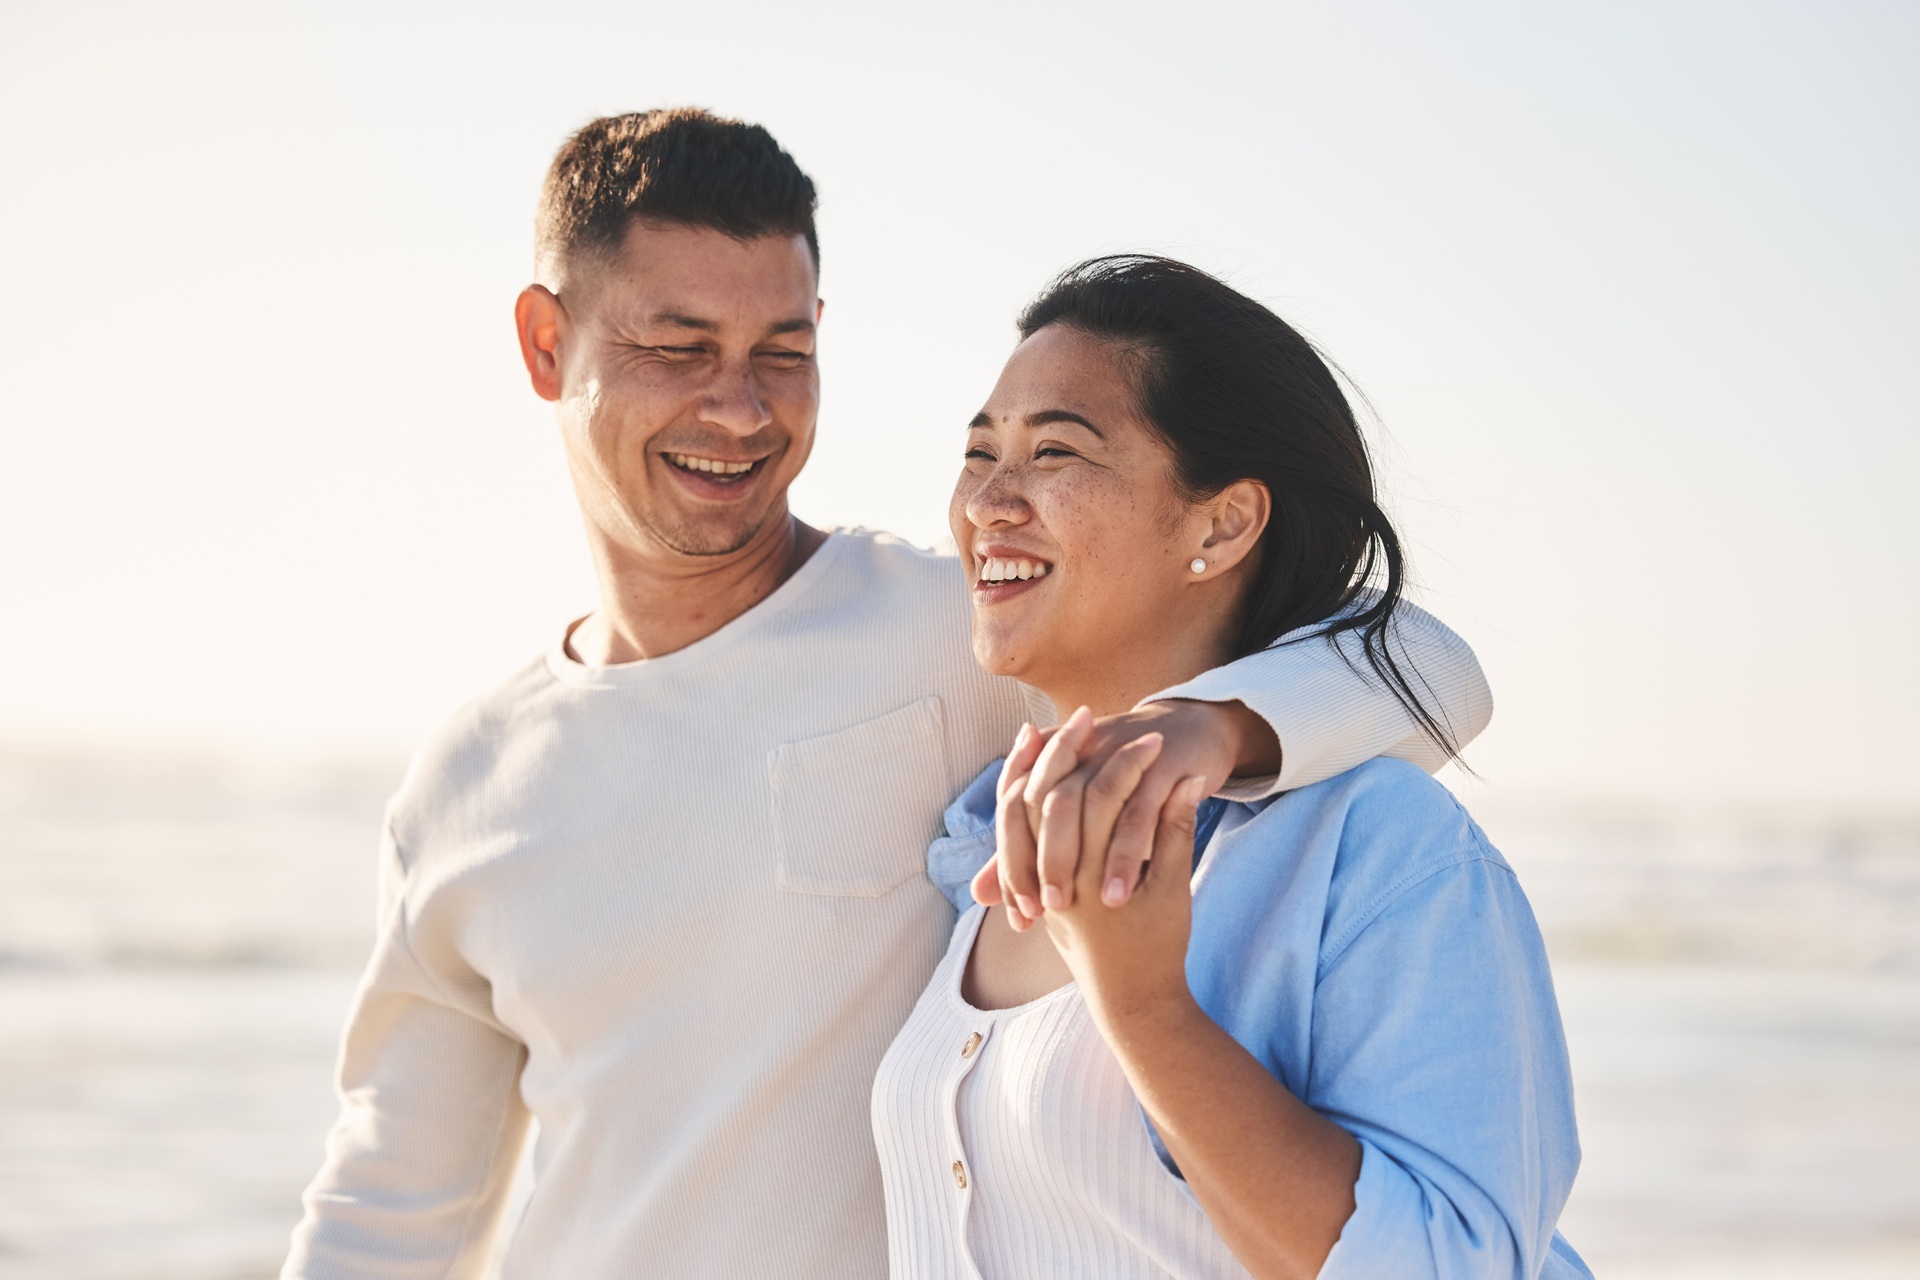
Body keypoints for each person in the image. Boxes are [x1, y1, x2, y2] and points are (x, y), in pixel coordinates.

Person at [282, 111, 1494, 1280]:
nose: (740, 406)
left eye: (783, 351)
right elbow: (388, 1210)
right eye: (680, 347)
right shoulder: (465, 783)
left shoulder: (963, 633)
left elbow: (1431, 672)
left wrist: (1210, 722)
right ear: (548, 344)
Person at [873, 256, 1589, 1280]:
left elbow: (1450, 1263)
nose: (987, 500)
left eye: (1053, 451)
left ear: (1223, 522)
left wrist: (1147, 1009)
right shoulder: (981, 847)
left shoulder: (1376, 845)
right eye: (980, 451)